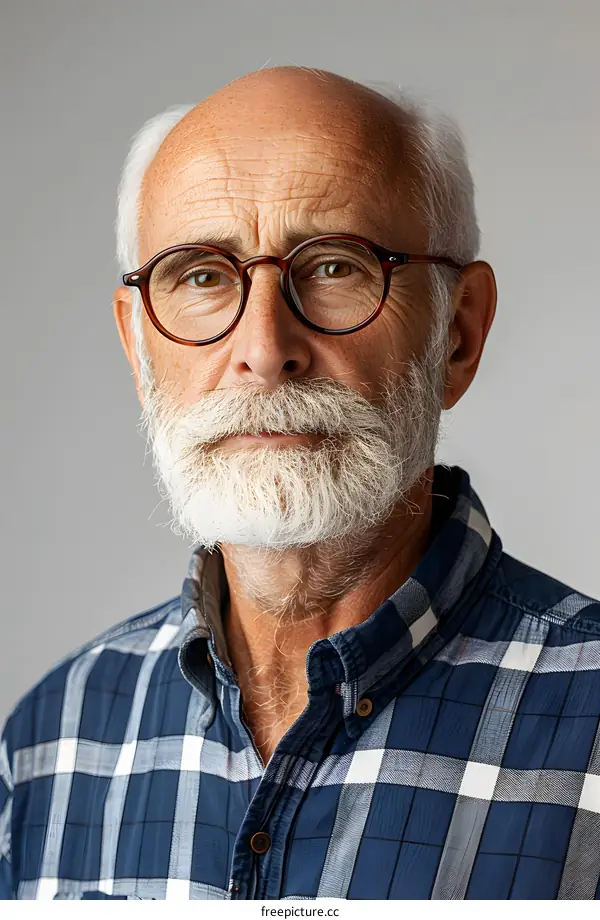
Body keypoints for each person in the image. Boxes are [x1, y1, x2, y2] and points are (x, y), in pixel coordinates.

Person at [1, 65, 599, 902]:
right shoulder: (49, 742)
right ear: (139, 348)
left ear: (458, 333)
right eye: (203, 276)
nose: (264, 347)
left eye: (334, 266)